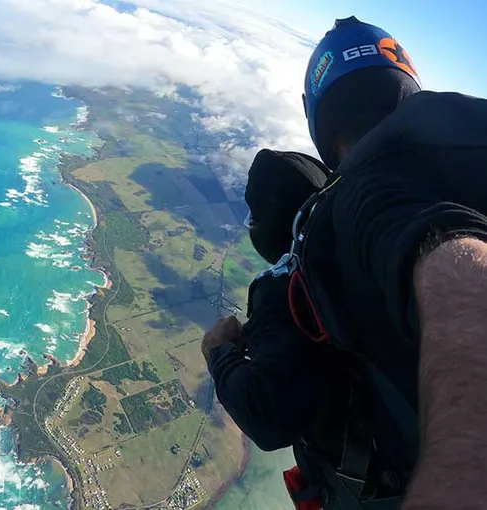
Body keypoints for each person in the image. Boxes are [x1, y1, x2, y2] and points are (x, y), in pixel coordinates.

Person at [206, 16, 487, 509]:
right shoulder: (446, 160)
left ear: (320, 117)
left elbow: (453, 265)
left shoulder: (366, 192)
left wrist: (221, 355)